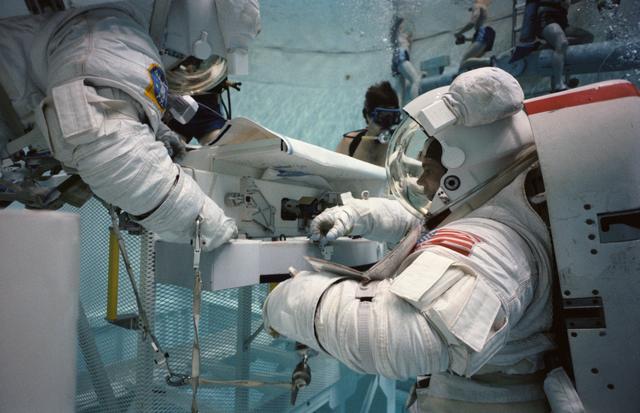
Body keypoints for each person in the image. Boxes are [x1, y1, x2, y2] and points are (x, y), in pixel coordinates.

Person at [263, 68, 585, 411]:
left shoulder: (495, 244)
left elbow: (395, 338)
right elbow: (421, 223)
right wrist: (356, 214)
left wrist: (286, 298)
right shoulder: (499, 211)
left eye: (427, 171)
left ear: (459, 173)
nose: (420, 183)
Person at [0, 1, 260, 250]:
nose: (188, 71)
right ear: (195, 40)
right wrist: (211, 226)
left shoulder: (113, 29)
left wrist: (157, 131)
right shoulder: (115, 40)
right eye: (196, 64)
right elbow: (111, 154)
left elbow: (105, 110)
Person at [335, 81, 401, 167]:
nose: (386, 125)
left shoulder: (399, 149)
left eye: (392, 117)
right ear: (367, 115)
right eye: (381, 117)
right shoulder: (349, 143)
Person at [453, 0, 496, 72]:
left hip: (484, 32)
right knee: (472, 63)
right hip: (488, 34)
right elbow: (478, 37)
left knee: (464, 62)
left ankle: (490, 61)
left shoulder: (476, 5)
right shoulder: (483, 7)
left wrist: (459, 33)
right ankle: (489, 66)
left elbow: (472, 23)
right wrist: (465, 39)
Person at [391, 17, 422, 104]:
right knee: (416, 80)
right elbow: (396, 27)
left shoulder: (401, 39)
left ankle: (399, 112)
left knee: (400, 92)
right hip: (401, 57)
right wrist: (399, 20)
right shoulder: (401, 36)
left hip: (396, 59)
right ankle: (416, 105)